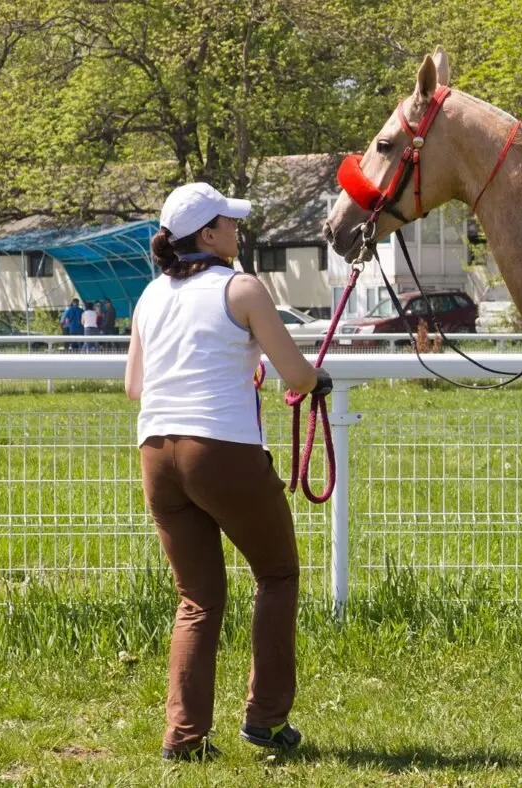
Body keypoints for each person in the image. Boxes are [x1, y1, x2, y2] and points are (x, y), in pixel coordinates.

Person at [125, 182, 331, 762]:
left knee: (197, 598)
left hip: (157, 455)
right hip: (221, 451)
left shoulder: (149, 296)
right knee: (277, 574)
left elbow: (134, 387)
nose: (238, 233)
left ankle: (184, 739)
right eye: (229, 224)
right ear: (207, 235)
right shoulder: (241, 288)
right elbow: (297, 375)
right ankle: (265, 722)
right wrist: (315, 381)